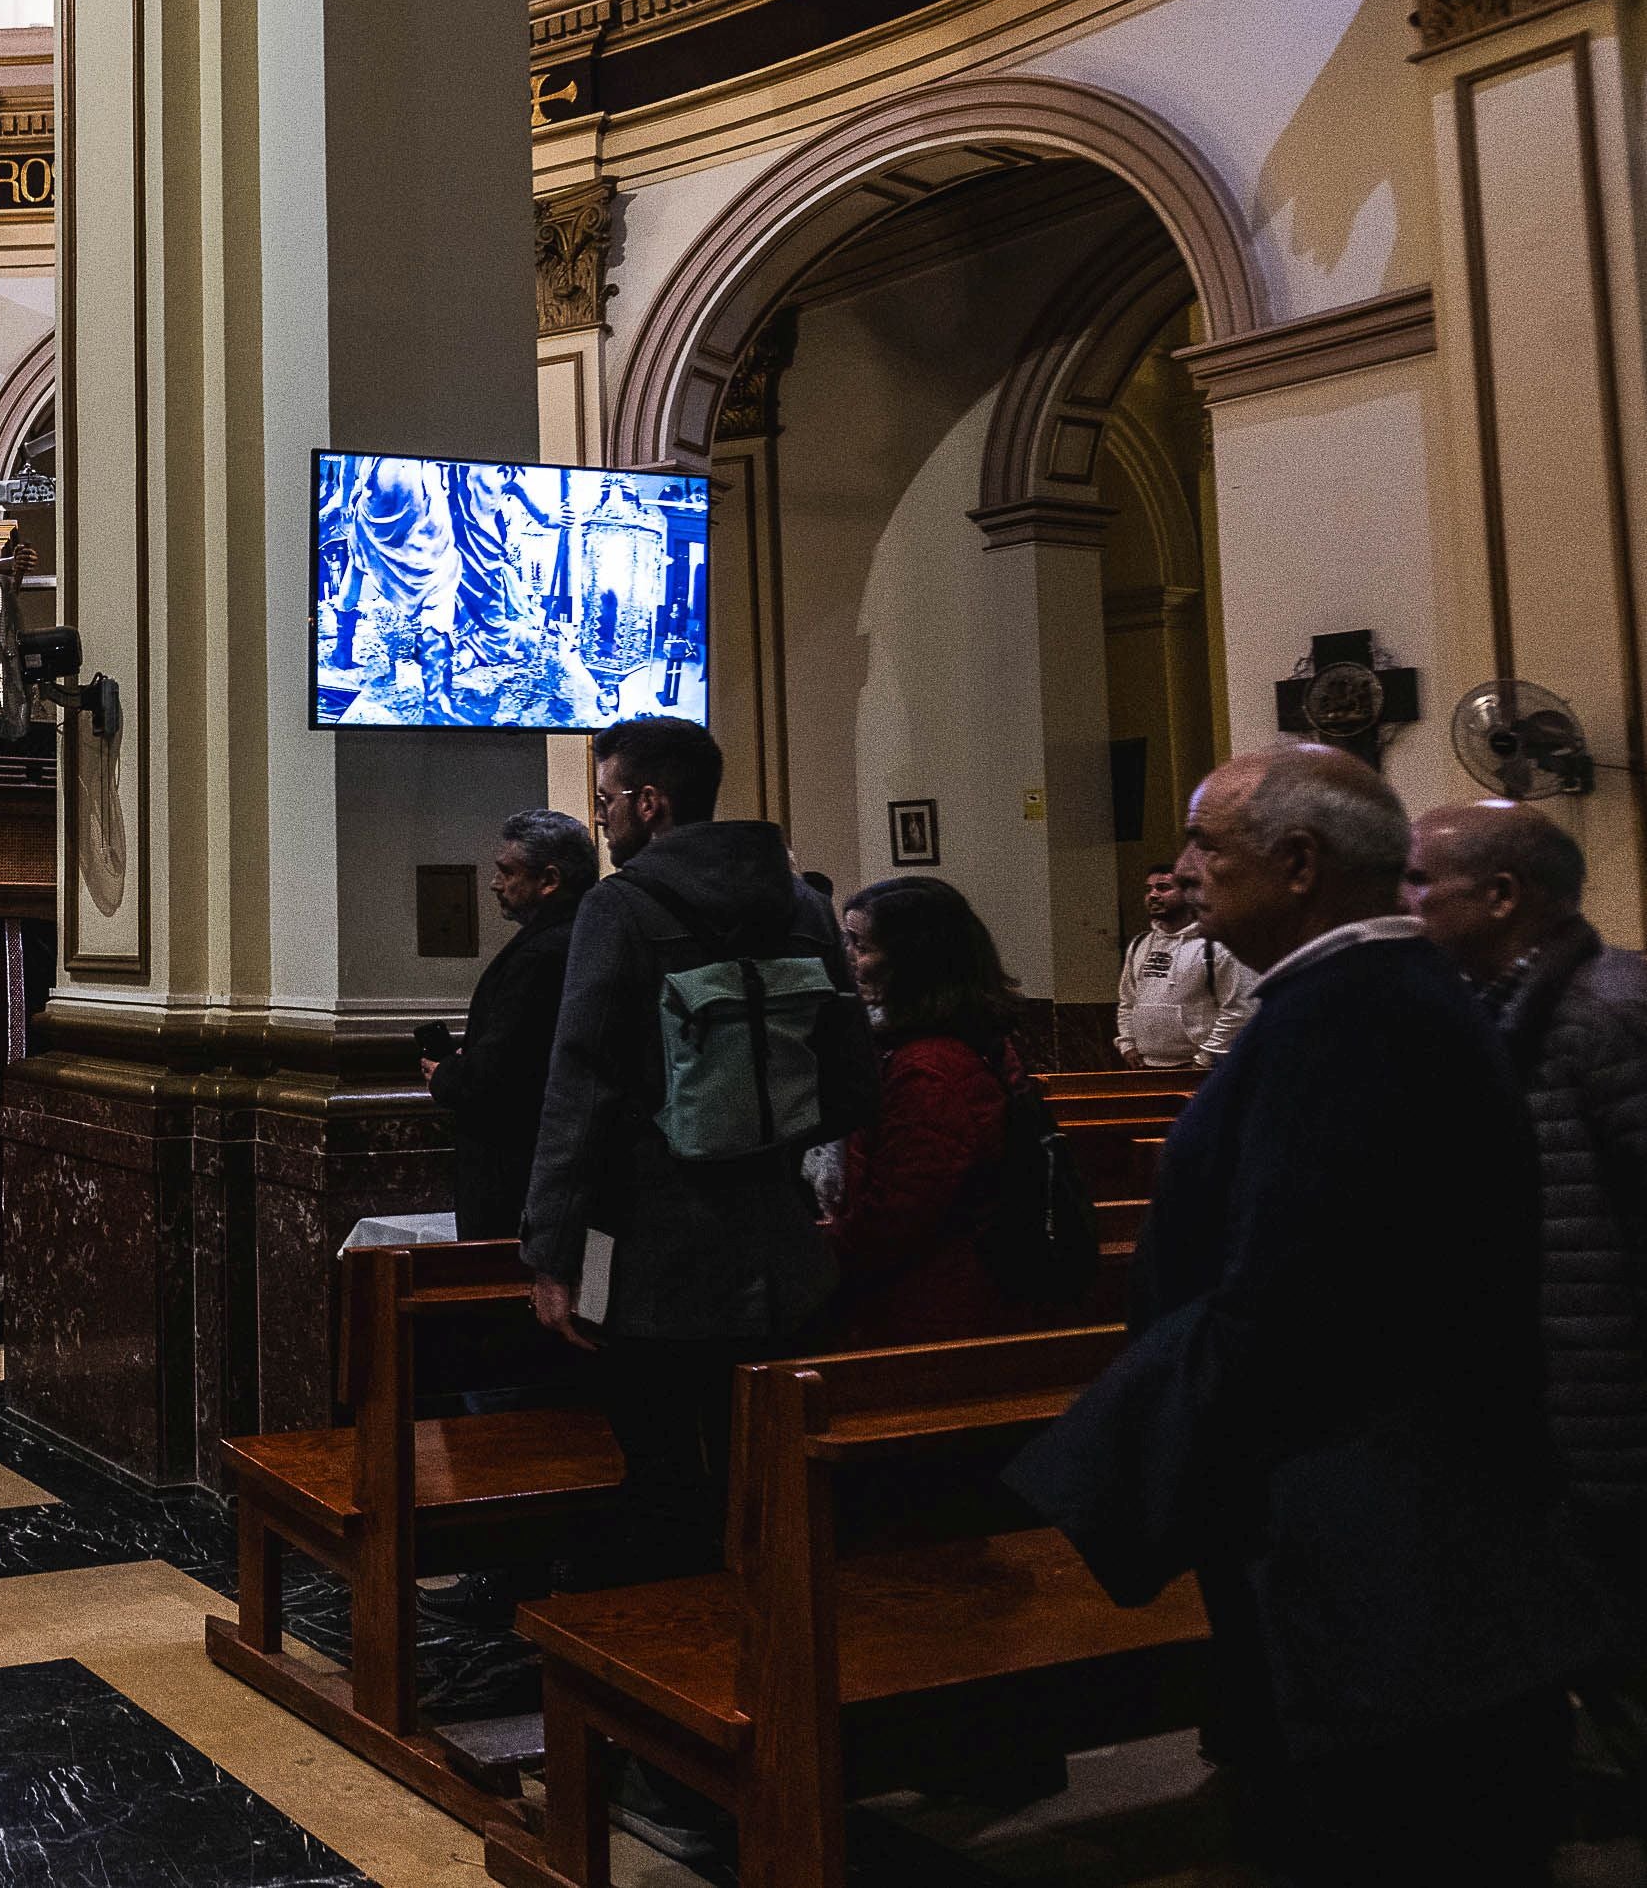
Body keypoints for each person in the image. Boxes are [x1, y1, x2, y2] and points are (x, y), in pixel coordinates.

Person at [1010, 747, 1599, 1887]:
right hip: (1385, 1543)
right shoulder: (1371, 1001)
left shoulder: (1354, 1017)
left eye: (1206, 844)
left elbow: (1291, 1308)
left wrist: (1130, 1466)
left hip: (1381, 1563)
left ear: (1297, 864)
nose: (1184, 869)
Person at [520, 716, 875, 1859]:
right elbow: (851, 1070)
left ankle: (672, 1750)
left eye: (610, 798)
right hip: (782, 1246)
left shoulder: (623, 909)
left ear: (651, 805)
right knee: (769, 1490)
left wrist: (551, 1247)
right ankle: (782, 1714)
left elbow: (578, 1080)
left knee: (663, 1483)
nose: (605, 817)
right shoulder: (802, 900)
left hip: (659, 1247)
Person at [1406, 799, 1647, 1768]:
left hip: (1617, 1401)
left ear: (1503, 894)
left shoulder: (1605, 1007)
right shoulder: (1502, 1008)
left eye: (1420, 880)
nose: (1401, 901)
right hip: (1561, 1397)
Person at [828, 875, 1037, 1348]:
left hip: (927, 1313)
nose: (848, 959)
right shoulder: (953, 1041)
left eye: (858, 944)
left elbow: (896, 1217)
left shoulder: (929, 1071)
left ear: (910, 960)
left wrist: (820, 1255)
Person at [424, 807, 595, 1235]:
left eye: (507, 872)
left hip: (513, 1174)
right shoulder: (586, 936)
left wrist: (447, 1075)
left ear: (549, 881)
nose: (495, 884)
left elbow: (503, 1071)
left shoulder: (540, 956)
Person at [1114, 863, 1247, 1070]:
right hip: (1145, 1065)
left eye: (1163, 887)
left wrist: (1206, 1058)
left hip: (1197, 1068)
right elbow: (1127, 1000)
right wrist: (1128, 1043)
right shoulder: (1140, 944)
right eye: (1148, 889)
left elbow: (1238, 1008)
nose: (1153, 895)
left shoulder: (1216, 945)